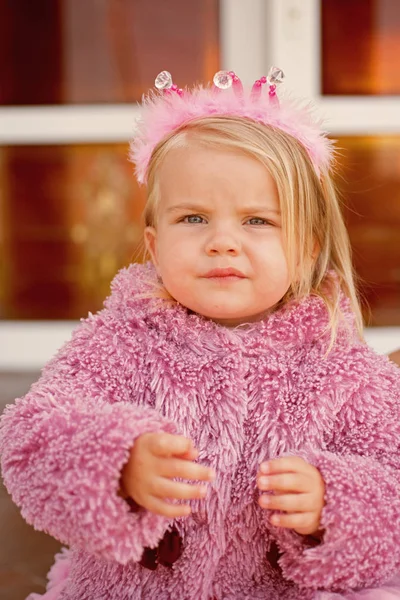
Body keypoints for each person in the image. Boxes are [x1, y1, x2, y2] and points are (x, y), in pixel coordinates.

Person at [1, 68, 400, 600]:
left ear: (306, 247)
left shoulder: (342, 370)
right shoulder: (120, 345)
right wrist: (116, 463)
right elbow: (30, 437)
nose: (222, 243)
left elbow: (393, 491)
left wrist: (333, 503)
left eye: (257, 221)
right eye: (193, 219)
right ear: (154, 242)